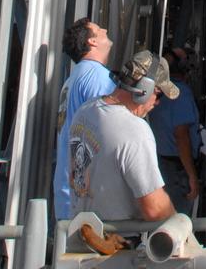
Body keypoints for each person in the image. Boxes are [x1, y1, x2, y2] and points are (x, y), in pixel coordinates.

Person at [68, 49, 179, 222]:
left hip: (79, 237)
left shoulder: (85, 111)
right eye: (158, 95)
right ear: (145, 89)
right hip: (115, 245)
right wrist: (181, 231)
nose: (157, 103)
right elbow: (155, 209)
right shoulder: (135, 130)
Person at [53, 17, 115, 220]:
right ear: (92, 42)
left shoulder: (73, 78)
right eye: (99, 29)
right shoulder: (97, 78)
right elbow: (110, 131)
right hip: (86, 202)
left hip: (68, 194)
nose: (105, 29)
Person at [148, 48, 202, 215]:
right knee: (179, 221)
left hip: (160, 162)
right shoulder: (180, 93)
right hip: (176, 167)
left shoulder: (156, 90)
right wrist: (191, 175)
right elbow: (181, 136)